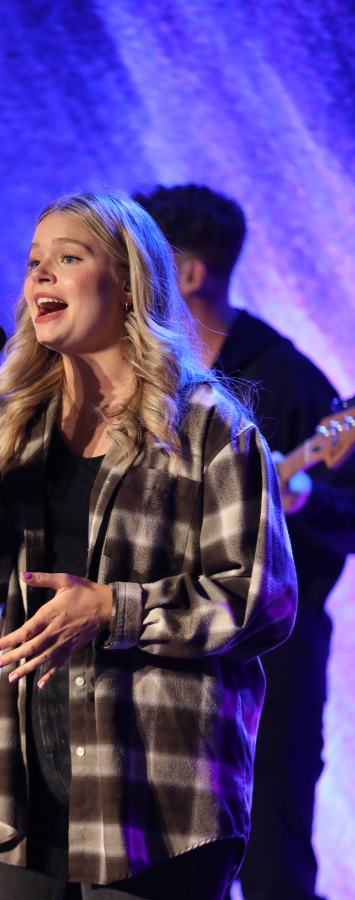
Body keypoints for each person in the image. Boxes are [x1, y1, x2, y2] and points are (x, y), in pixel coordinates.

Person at [0, 189, 297, 900]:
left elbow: (259, 601)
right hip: (20, 787)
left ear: (127, 285)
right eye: (34, 261)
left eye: (68, 258)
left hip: (156, 800)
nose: (40, 275)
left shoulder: (208, 428)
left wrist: (112, 610)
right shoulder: (18, 424)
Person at [135, 183, 355, 900]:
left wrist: (303, 493)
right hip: (166, 656)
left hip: (272, 662)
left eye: (144, 259)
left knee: (271, 864)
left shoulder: (286, 377)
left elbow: (350, 516)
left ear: (188, 273)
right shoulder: (146, 376)